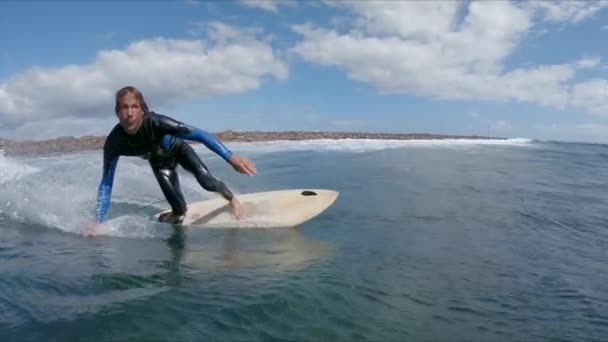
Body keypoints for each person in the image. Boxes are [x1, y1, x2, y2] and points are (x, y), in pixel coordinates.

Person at [89, 86, 256, 234]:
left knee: (207, 182)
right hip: (161, 164)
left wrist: (230, 157)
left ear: (142, 110)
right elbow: (106, 181)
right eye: (124, 108)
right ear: (117, 111)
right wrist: (98, 221)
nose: (130, 113)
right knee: (180, 210)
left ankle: (232, 199)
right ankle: (173, 213)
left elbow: (199, 134)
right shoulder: (114, 142)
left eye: (134, 107)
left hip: (178, 149)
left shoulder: (156, 122)